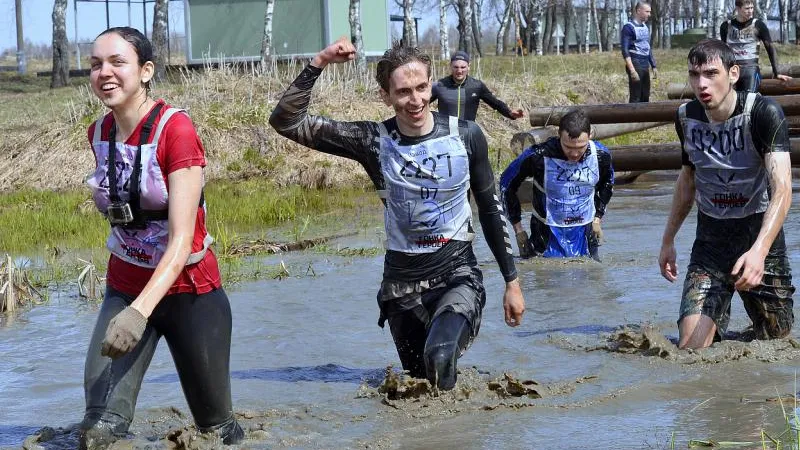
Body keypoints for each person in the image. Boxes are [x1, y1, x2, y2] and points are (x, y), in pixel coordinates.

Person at [269, 38, 526, 391]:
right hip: (401, 287)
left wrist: (511, 282)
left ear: (431, 86)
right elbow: (285, 120)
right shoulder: (373, 140)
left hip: (457, 274)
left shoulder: (466, 136)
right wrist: (321, 60)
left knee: (439, 358)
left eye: (422, 88)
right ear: (385, 96)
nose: (415, 100)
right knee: (418, 382)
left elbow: (490, 207)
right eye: (403, 92)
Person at [80, 27, 243, 446]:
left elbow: (181, 240)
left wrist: (139, 314)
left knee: (216, 431)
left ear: (146, 70)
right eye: (96, 64)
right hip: (125, 287)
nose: (105, 73)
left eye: (118, 62)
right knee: (98, 428)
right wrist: (127, 305)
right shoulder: (97, 133)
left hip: (191, 292)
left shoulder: (176, 130)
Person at [658, 39, 794, 350]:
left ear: (732, 74)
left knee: (776, 342)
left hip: (759, 236)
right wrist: (668, 240)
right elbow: (688, 177)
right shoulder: (686, 117)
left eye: (710, 74)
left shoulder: (763, 113)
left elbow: (783, 189)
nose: (701, 84)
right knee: (691, 349)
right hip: (711, 242)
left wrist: (759, 251)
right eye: (694, 75)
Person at [499, 110, 614, 261]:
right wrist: (518, 230)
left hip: (585, 234)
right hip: (546, 236)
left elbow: (607, 183)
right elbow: (506, 184)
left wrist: (598, 218)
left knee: (589, 275)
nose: (574, 154)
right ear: (559, 135)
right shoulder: (538, 156)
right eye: (568, 147)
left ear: (590, 136)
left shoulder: (600, 156)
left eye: (580, 148)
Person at [430, 51, 524, 122]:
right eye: (456, 67)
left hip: (468, 133)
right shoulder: (440, 85)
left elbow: (495, 103)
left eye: (463, 67)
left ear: (469, 67)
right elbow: (421, 104)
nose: (459, 71)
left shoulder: (477, 86)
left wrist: (509, 113)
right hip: (445, 134)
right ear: (450, 66)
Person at [720, 0, 792, 93]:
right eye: (747, 8)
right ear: (738, 8)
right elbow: (723, 51)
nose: (750, 11)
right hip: (732, 70)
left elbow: (770, 48)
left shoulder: (758, 25)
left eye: (752, 8)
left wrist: (776, 72)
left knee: (749, 100)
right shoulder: (726, 26)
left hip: (750, 69)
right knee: (730, 102)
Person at [621, 1, 658, 103]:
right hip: (635, 62)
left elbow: (647, 47)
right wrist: (632, 70)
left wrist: (653, 65)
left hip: (645, 63)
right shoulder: (628, 27)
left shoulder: (645, 27)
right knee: (636, 95)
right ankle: (632, 118)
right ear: (638, 11)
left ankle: (644, 118)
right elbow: (625, 50)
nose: (649, 14)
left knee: (645, 94)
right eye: (647, 12)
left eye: (649, 12)